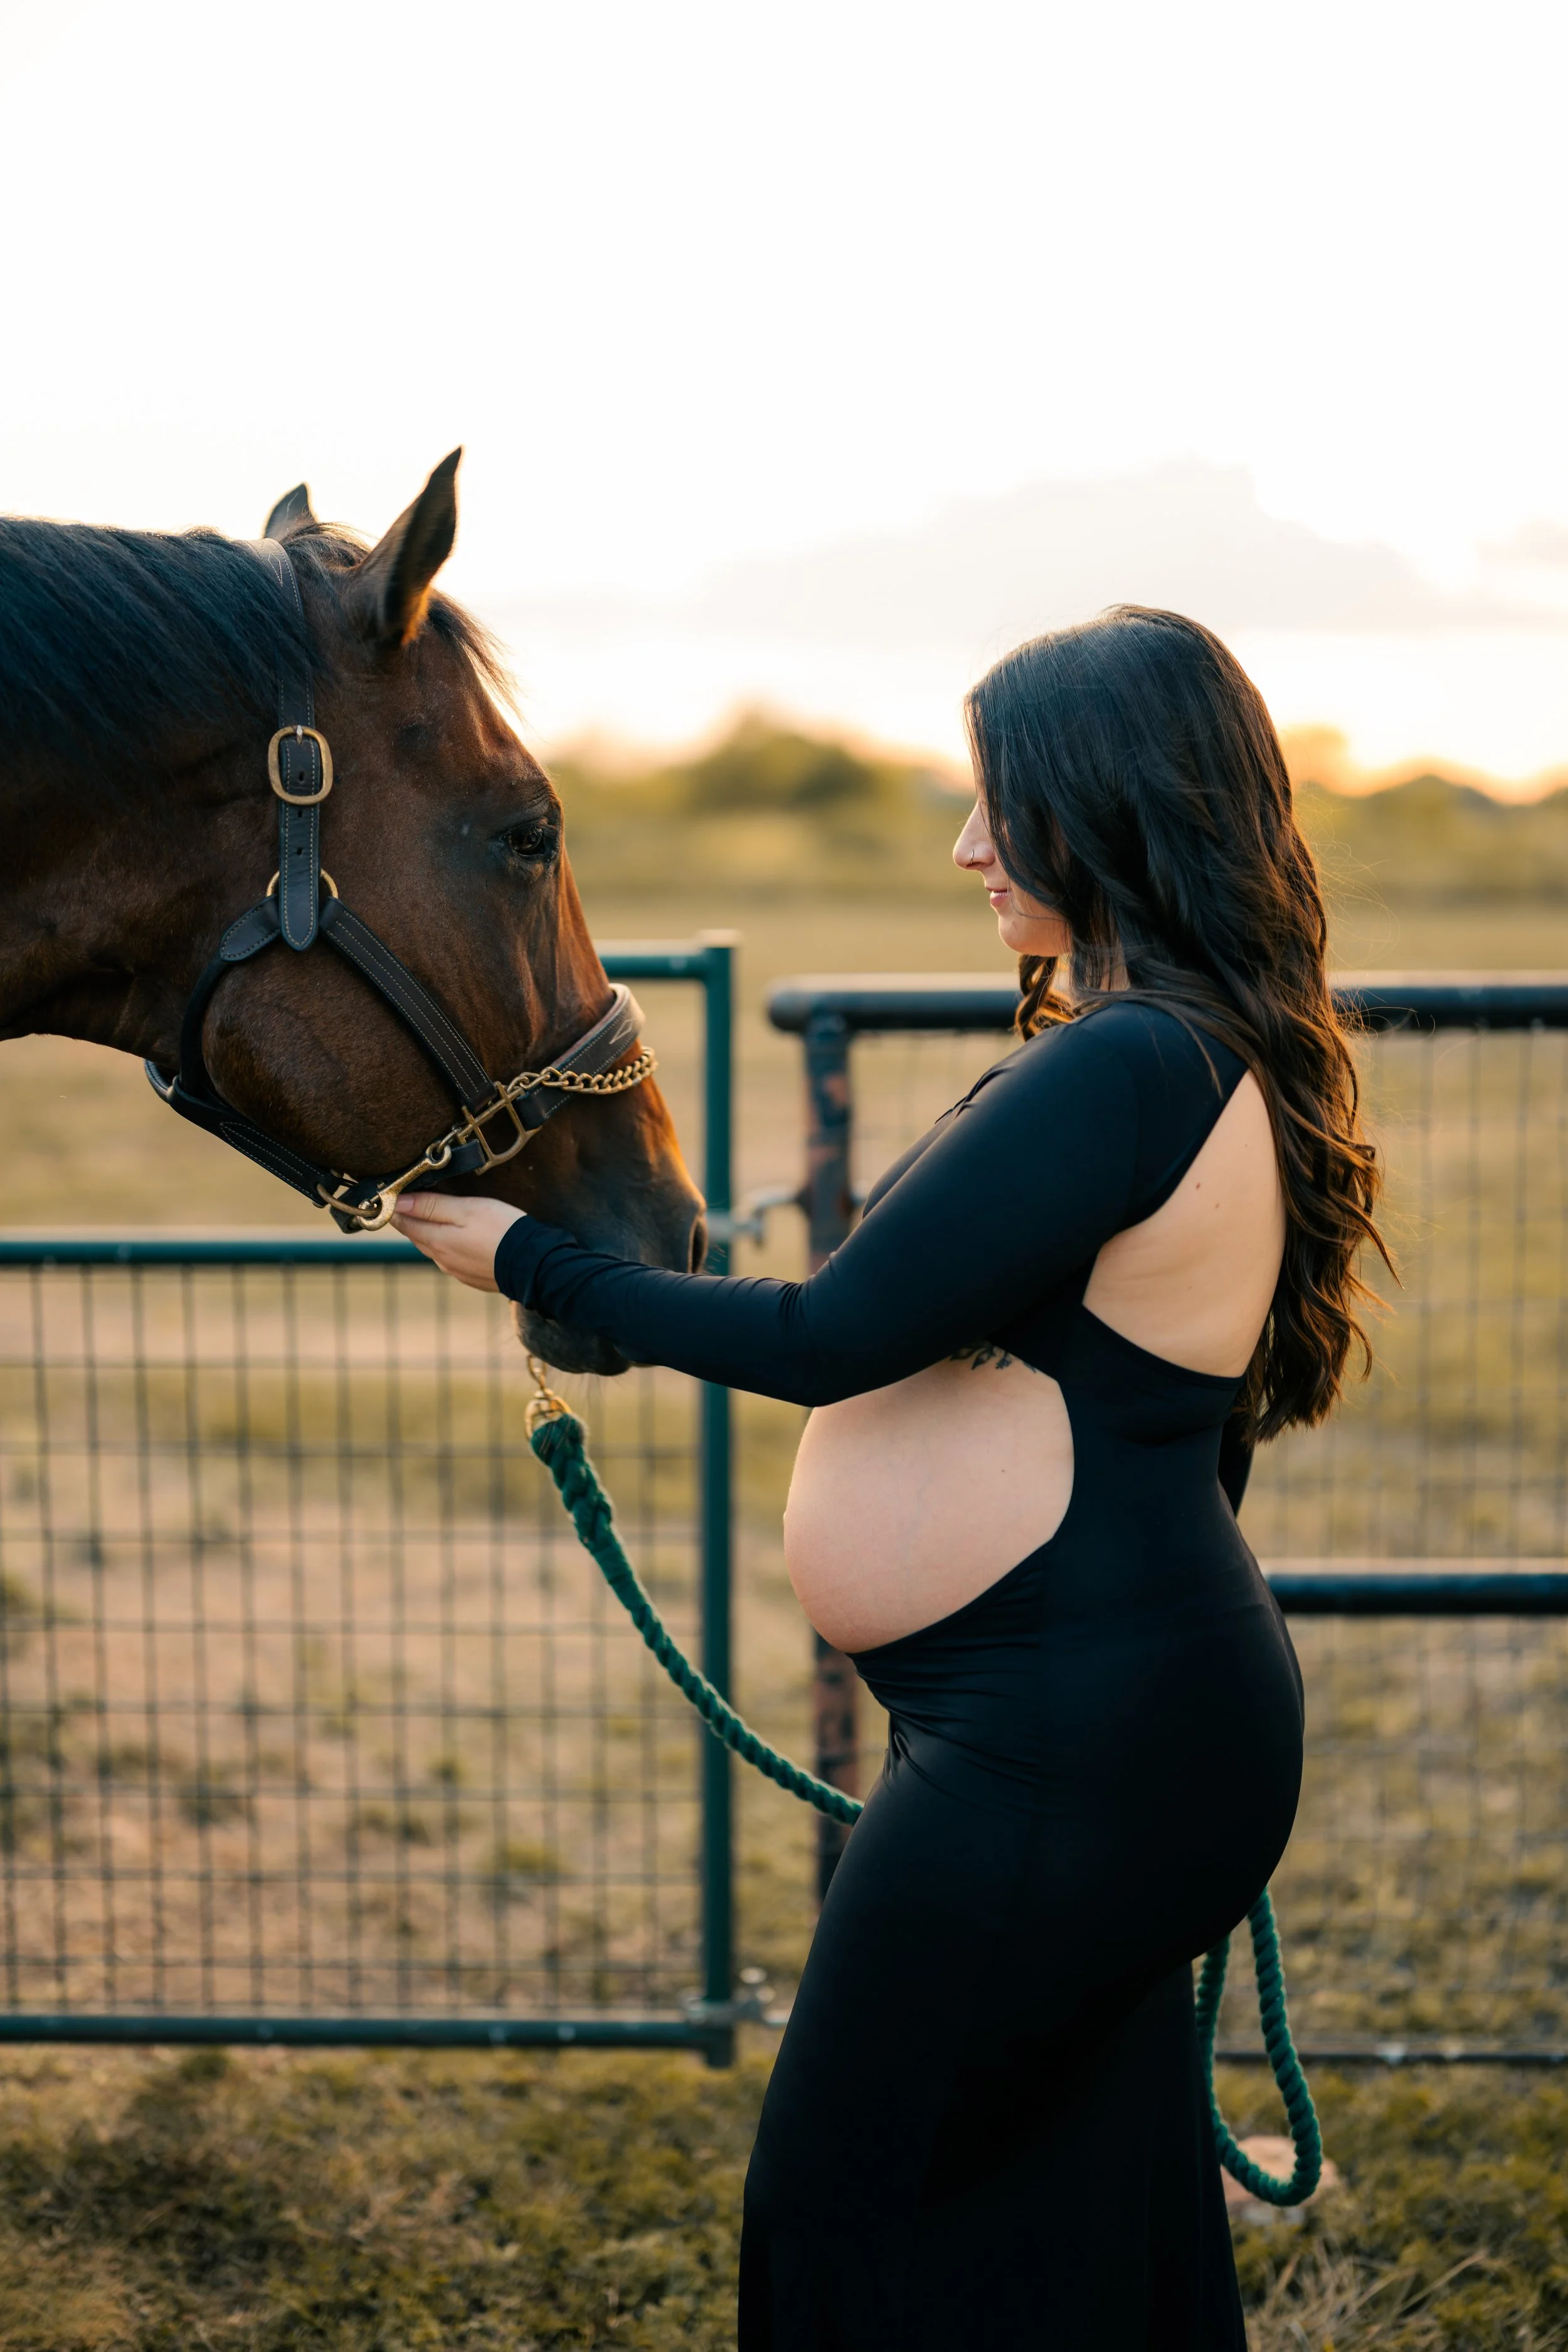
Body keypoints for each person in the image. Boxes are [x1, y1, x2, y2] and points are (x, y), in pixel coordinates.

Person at [393, 605, 1385, 2350]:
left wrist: (532, 1265)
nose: (964, 844)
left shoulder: (1133, 1065)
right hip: (1098, 1731)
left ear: (1109, 801)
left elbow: (835, 1329)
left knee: (845, 2190)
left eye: (999, 802)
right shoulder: (1173, 1049)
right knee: (1089, 2203)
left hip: (1065, 1747)